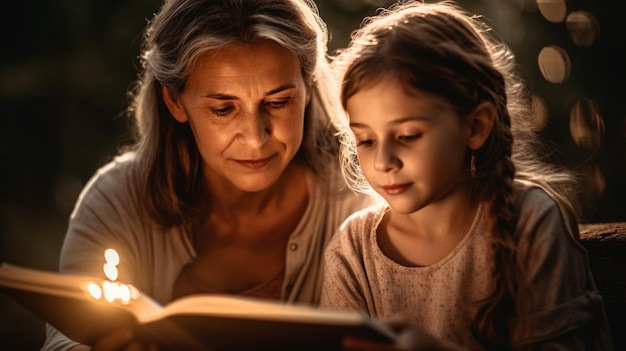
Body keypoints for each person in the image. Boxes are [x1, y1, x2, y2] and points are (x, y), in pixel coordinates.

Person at [41, 0, 375, 350]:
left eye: (278, 102)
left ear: (307, 88)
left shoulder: (359, 198)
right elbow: (64, 338)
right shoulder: (117, 201)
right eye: (223, 109)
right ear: (175, 102)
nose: (255, 136)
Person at [319, 1, 613, 350]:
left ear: (476, 126)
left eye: (408, 135)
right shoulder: (352, 250)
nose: (383, 161)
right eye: (365, 140)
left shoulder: (531, 221)